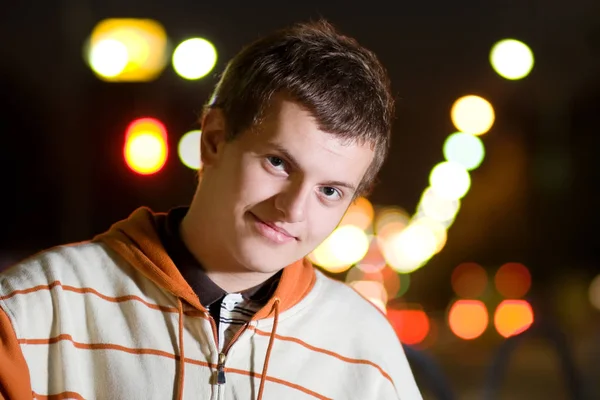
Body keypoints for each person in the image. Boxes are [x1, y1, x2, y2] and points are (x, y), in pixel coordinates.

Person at [0, 20, 422, 399]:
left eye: (330, 190)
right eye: (278, 163)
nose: (293, 209)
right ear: (214, 140)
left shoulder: (367, 351)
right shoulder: (36, 308)